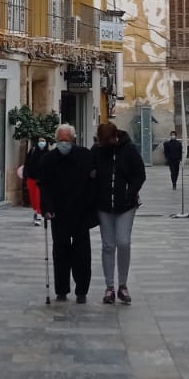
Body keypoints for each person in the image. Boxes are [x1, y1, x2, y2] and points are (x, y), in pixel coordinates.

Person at [37, 123, 96, 303]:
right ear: (56, 140)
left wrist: (91, 210)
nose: (64, 143)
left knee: (82, 253)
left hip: (81, 213)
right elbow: (43, 185)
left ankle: (81, 291)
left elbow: (93, 184)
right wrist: (47, 209)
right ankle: (61, 290)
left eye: (67, 140)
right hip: (58, 213)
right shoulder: (48, 159)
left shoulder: (85, 156)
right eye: (61, 140)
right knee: (60, 252)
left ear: (73, 140)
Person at [92, 122, 146, 305]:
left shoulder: (129, 150)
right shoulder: (97, 150)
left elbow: (140, 174)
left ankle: (123, 284)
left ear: (114, 137)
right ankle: (109, 287)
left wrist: (129, 193)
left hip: (126, 206)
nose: (104, 145)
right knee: (108, 245)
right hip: (104, 206)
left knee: (123, 242)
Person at [22, 137, 49, 225]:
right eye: (40, 141)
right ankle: (35, 211)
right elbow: (27, 163)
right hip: (31, 178)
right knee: (33, 197)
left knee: (38, 196)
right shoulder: (33, 151)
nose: (41, 142)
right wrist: (25, 175)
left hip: (42, 180)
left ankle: (38, 214)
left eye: (43, 141)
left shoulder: (48, 153)